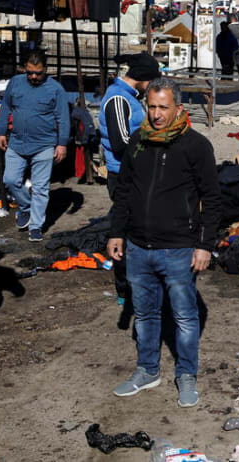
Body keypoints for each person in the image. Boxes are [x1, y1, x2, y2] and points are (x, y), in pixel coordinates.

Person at [107, 78, 220, 407]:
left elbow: (212, 199)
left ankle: (186, 375)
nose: (156, 114)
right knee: (145, 314)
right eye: (151, 107)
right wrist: (117, 232)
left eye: (163, 107)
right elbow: (124, 192)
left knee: (185, 317)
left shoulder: (196, 146)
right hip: (139, 247)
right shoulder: (139, 141)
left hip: (179, 248)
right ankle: (147, 370)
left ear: (178, 108)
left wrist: (205, 245)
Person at [98, 51, 161, 302]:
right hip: (123, 176)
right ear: (143, 79)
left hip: (134, 173)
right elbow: (121, 142)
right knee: (127, 232)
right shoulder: (118, 100)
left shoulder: (128, 98)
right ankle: (125, 288)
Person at [0, 49, 69, 242]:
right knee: (10, 179)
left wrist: (62, 144)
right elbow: (5, 108)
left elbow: (63, 118)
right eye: (30, 72)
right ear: (24, 69)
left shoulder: (56, 89)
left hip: (44, 144)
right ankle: (26, 207)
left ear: (46, 69)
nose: (34, 76)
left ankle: (36, 225)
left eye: (38, 73)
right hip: (17, 141)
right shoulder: (16, 83)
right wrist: (1, 131)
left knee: (40, 187)